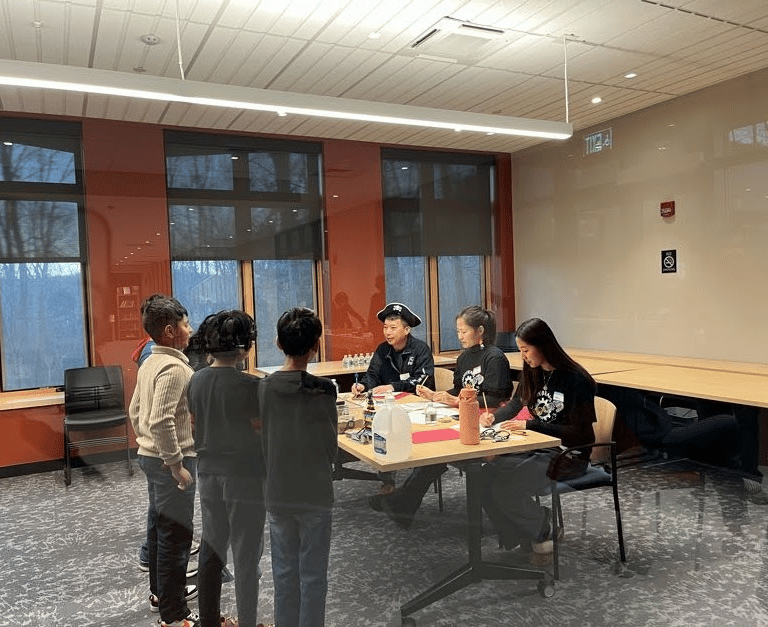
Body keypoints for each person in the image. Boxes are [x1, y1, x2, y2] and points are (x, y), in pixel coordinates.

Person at [369, 306, 513, 529]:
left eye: (464, 331)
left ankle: (402, 504)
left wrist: (453, 400)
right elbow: (458, 389)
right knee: (432, 448)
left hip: (489, 419)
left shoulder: (495, 357)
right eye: (458, 331)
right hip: (464, 415)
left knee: (436, 451)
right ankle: (402, 504)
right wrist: (437, 395)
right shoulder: (464, 357)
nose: (460, 336)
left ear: (480, 331)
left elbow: (495, 397)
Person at [480, 317, 596, 565]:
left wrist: (531, 425)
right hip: (539, 447)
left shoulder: (576, 379)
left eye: (525, 350)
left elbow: (581, 434)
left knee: (505, 487)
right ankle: (524, 534)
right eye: (520, 351)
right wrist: (494, 417)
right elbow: (516, 403)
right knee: (483, 476)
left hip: (569, 454)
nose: (523, 357)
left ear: (543, 345)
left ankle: (542, 529)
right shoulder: (533, 371)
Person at [259, 308, 338, 627]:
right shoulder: (325, 389)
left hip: (278, 490)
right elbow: (331, 448)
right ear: (316, 345)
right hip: (315, 491)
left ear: (278, 343)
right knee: (314, 577)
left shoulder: (264, 387)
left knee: (284, 574)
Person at [186, 310, 266, 627]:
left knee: (212, 550)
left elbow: (195, 424)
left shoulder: (196, 380)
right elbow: (261, 432)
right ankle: (247, 621)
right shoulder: (251, 386)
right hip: (244, 476)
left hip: (207, 473)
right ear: (245, 347)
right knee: (246, 556)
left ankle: (209, 621)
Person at [129, 294, 199, 627]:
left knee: (160, 529)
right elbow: (160, 420)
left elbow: (135, 412)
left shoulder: (150, 362)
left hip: (150, 457)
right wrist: (175, 465)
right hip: (170, 461)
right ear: (170, 331)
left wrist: (147, 444)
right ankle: (174, 615)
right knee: (176, 537)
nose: (191, 329)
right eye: (186, 323)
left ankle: (161, 594)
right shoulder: (174, 368)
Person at [351, 302, 434, 395]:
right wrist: (363, 385)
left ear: (406, 330)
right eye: (385, 327)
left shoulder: (420, 349)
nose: (388, 332)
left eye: (393, 328)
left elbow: (422, 380)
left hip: (417, 400)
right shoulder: (382, 349)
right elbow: (373, 375)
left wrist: (393, 387)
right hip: (389, 400)